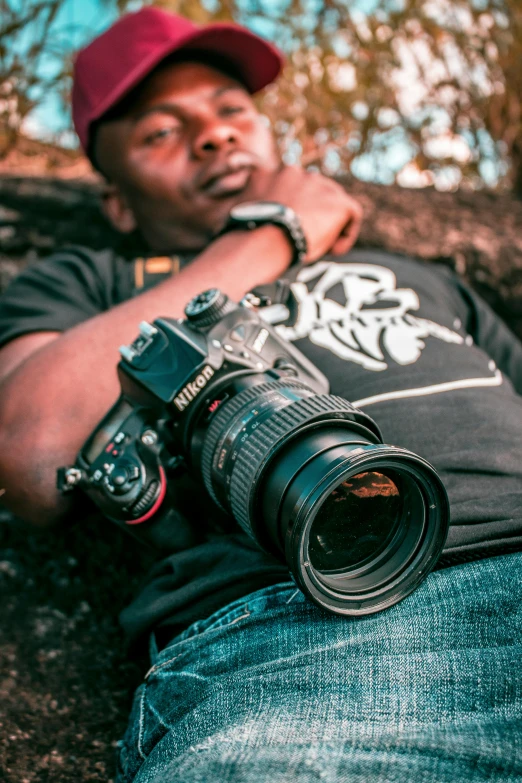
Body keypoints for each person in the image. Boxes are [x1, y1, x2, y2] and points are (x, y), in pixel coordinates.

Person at [0, 7, 521, 782]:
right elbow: (33, 449)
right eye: (160, 133)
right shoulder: (92, 285)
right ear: (117, 203)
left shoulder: (424, 277)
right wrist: (277, 233)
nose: (213, 136)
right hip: (318, 636)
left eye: (232, 111)